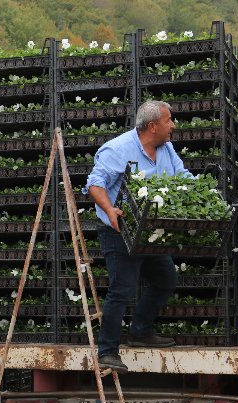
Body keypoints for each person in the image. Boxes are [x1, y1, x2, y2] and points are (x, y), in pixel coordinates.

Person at [84, 100, 192, 374]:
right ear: (153, 125)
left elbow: (183, 177)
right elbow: (94, 184)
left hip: (149, 229)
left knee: (166, 279)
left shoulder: (166, 148)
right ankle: (107, 351)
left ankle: (140, 330)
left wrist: (207, 198)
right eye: (169, 120)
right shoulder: (118, 149)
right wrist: (109, 209)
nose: (173, 126)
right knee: (122, 288)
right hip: (118, 229)